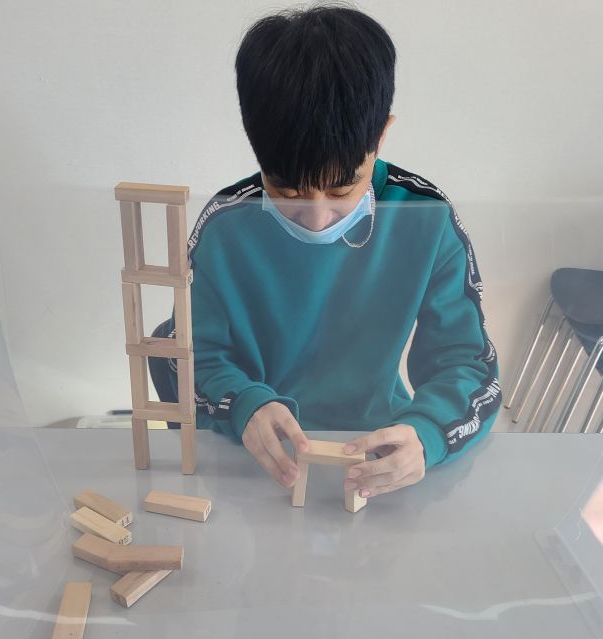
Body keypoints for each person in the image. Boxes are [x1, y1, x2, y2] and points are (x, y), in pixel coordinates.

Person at [155, 4, 502, 500]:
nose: (318, 218)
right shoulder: (225, 226)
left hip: (376, 448)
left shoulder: (424, 217)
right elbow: (190, 355)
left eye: (342, 188)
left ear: (381, 133)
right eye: (288, 190)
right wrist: (243, 404)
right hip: (256, 455)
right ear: (255, 144)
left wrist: (427, 433)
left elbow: (467, 363)